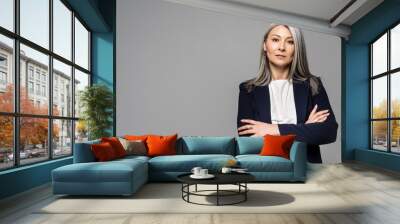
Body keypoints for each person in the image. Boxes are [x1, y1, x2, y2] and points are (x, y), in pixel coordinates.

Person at [237, 24, 338, 163]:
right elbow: (248, 139)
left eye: (290, 42)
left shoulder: (313, 84)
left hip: (307, 167)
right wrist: (306, 128)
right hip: (266, 168)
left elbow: (328, 132)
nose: (281, 47)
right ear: (265, 45)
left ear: (297, 49)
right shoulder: (248, 89)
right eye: (275, 40)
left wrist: (273, 129)